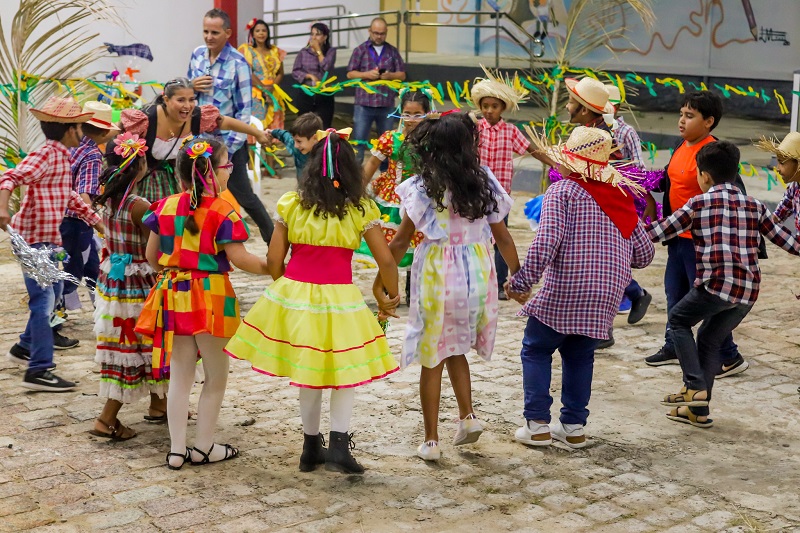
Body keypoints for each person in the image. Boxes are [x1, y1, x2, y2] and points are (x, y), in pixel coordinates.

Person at [225, 128, 400, 475]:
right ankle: (338, 445)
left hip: (297, 294)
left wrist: (287, 292)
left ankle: (310, 447)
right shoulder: (361, 209)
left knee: (309, 372)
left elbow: (275, 259)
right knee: (345, 372)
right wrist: (390, 298)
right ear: (349, 168)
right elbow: (388, 262)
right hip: (341, 298)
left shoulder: (293, 204)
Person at [507, 126, 654, 449]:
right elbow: (644, 255)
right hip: (607, 295)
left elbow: (546, 242)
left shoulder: (563, 193)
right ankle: (573, 427)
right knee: (579, 356)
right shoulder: (622, 198)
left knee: (536, 348)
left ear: (571, 163)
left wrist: (521, 281)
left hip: (567, 287)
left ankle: (537, 425)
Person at [384, 113, 520, 462]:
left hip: (438, 275)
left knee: (432, 356)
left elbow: (400, 242)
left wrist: (381, 278)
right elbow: (503, 237)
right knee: (455, 346)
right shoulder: (484, 181)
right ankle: (467, 416)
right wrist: (517, 277)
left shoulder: (422, 186)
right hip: (476, 275)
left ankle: (431, 440)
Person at [135, 137, 269, 469]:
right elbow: (240, 259)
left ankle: (177, 450)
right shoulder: (224, 210)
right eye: (228, 165)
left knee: (180, 374)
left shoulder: (164, 206)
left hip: (173, 292)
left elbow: (152, 257)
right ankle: (205, 447)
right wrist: (274, 267)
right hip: (212, 295)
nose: (230, 171)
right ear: (214, 172)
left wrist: (176, 270)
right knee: (215, 374)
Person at [646, 141, 800, 428]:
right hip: (747, 292)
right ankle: (698, 411)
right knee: (708, 339)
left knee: (678, 320)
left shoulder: (697, 203)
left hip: (715, 286)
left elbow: (659, 231)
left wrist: (627, 229)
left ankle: (694, 386)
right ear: (735, 171)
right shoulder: (755, 205)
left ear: (702, 175)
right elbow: (790, 243)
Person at [0, 96, 105, 391]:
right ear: (70, 129)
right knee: (44, 300)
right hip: (32, 241)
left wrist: (94, 219)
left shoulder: (61, 156)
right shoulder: (47, 154)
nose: (82, 131)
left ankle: (25, 346)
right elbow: (9, 177)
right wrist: (3, 207)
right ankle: (39, 369)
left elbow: (68, 195)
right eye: (79, 126)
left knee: (55, 291)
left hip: (46, 241)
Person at [641, 92, 749, 377]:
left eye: (690, 116)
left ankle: (728, 356)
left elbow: (735, 194)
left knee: (705, 300)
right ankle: (674, 345)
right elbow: (669, 179)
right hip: (678, 238)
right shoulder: (681, 146)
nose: (681, 121)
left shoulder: (714, 154)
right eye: (681, 114)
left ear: (709, 122)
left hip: (701, 243)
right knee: (674, 293)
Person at [89, 133, 167, 440]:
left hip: (114, 282)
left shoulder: (107, 198)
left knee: (131, 345)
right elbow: (154, 250)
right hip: (139, 283)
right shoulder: (139, 206)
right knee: (141, 344)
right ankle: (106, 418)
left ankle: (159, 404)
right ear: (138, 166)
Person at [188, 8, 275, 244]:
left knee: (245, 197)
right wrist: (191, 85)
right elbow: (186, 97)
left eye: (214, 32)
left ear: (227, 32)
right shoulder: (197, 55)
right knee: (195, 195)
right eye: (205, 31)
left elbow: (244, 111)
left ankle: (274, 242)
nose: (209, 37)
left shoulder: (238, 63)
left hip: (228, 144)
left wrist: (228, 151)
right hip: (197, 142)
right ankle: (200, 244)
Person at [472, 69, 557, 301]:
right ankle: (476, 280)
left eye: (494, 106)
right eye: (485, 106)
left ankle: (500, 284)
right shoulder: (473, 128)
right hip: (473, 193)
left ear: (503, 108)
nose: (489, 110)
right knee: (474, 237)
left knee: (501, 240)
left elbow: (532, 149)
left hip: (500, 196)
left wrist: (553, 163)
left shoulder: (510, 132)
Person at [121, 77, 270, 205]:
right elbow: (117, 131)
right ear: (166, 100)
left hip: (184, 179)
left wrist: (257, 133)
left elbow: (224, 122)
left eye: (191, 99)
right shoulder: (146, 118)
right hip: (150, 184)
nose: (187, 106)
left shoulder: (197, 116)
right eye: (181, 100)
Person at [357, 89, 431, 301]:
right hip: (392, 198)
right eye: (407, 113)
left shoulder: (431, 140)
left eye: (418, 114)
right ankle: (389, 287)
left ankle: (412, 289)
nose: (412, 119)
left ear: (427, 114)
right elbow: (371, 163)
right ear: (400, 113)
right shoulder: (390, 139)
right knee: (392, 244)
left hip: (421, 198)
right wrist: (358, 188)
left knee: (416, 243)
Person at [60, 101, 118, 312]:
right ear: (104, 134)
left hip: (63, 217)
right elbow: (85, 192)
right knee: (72, 271)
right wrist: (95, 221)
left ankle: (103, 308)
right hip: (77, 221)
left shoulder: (69, 143)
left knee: (92, 265)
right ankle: (54, 314)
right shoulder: (92, 154)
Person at [346, 17, 407, 162]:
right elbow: (350, 73)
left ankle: (385, 176)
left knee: (386, 143)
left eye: (382, 33)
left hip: (386, 104)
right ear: (369, 31)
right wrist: (366, 75)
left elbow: (402, 74)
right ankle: (355, 176)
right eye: (376, 33)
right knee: (359, 143)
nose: (379, 36)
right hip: (363, 103)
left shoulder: (392, 51)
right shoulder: (360, 50)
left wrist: (390, 75)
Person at [238, 18, 287, 130]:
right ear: (252, 34)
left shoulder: (275, 51)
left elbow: (280, 73)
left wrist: (272, 88)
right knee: (257, 125)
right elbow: (247, 73)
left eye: (264, 31)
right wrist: (264, 89)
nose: (261, 33)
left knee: (273, 127)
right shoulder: (247, 50)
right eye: (258, 31)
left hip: (273, 92)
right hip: (255, 93)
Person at [292, 23, 336, 129]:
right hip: (306, 93)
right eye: (312, 34)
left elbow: (326, 67)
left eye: (318, 34)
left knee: (324, 126)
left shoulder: (331, 51)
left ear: (325, 37)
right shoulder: (303, 52)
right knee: (304, 126)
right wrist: (308, 76)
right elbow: (295, 71)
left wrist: (318, 51)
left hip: (324, 93)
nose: (314, 37)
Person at [758, 132, 800, 232]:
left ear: (798, 164)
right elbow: (777, 216)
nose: (777, 168)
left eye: (781, 162)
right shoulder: (794, 188)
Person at [266, 112, 322, 179]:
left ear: (315, 138)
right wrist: (271, 132)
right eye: (294, 140)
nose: (295, 145)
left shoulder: (327, 154)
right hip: (303, 188)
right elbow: (285, 135)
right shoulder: (297, 148)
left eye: (299, 141)